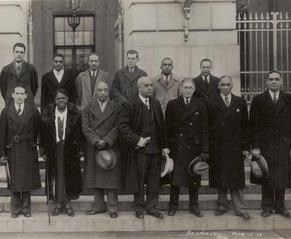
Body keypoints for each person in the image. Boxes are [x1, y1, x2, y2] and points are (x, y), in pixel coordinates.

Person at [250, 70, 291, 218]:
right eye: (271, 79)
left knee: (281, 177)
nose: (274, 81)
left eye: (276, 79)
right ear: (266, 82)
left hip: (284, 146)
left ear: (281, 81)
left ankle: (280, 206)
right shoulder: (258, 100)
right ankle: (266, 207)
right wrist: (256, 146)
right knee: (266, 175)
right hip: (265, 146)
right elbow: (253, 125)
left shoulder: (290, 99)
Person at [118, 76, 169, 220]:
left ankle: (152, 207)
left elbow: (161, 126)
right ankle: (139, 207)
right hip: (139, 150)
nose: (150, 88)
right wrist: (137, 139)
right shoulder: (130, 104)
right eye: (146, 86)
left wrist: (164, 146)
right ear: (139, 88)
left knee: (154, 180)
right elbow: (122, 126)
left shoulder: (155, 103)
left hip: (156, 149)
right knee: (139, 180)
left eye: (151, 85)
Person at [207, 76, 251, 220]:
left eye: (228, 84)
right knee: (220, 176)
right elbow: (206, 126)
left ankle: (240, 208)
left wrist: (245, 147)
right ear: (218, 86)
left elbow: (246, 126)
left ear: (232, 86)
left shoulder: (240, 101)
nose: (225, 87)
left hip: (235, 147)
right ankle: (222, 205)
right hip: (217, 146)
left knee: (236, 178)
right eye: (223, 84)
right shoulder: (210, 102)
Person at [165, 78, 209, 217]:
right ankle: (173, 205)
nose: (188, 90)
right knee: (175, 180)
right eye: (185, 87)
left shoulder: (200, 105)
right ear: (181, 89)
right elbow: (167, 127)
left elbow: (205, 129)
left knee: (194, 177)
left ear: (194, 89)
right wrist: (166, 146)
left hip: (194, 147)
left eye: (190, 88)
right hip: (177, 146)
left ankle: (194, 206)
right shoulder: (172, 105)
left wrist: (205, 150)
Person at [0, 86, 42, 218]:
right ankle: (16, 208)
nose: (19, 96)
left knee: (27, 180)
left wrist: (38, 146)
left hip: (28, 148)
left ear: (25, 96)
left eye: (21, 94)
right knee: (14, 180)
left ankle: (26, 207)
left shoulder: (33, 111)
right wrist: (2, 154)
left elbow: (38, 130)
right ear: (12, 95)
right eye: (16, 93)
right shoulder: (6, 111)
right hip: (12, 149)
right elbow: (2, 134)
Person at [82, 81, 122, 218]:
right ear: (96, 92)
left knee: (111, 179)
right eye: (100, 90)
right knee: (96, 178)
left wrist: (106, 140)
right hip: (94, 147)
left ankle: (112, 207)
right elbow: (85, 127)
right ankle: (98, 206)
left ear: (108, 92)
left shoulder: (116, 107)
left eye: (105, 90)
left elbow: (118, 126)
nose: (103, 93)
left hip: (110, 146)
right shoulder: (87, 108)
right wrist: (96, 141)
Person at [41, 88, 83, 217]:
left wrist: (80, 150)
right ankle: (58, 204)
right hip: (54, 149)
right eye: (58, 98)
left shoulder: (75, 113)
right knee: (56, 177)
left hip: (70, 149)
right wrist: (42, 149)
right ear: (55, 100)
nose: (61, 100)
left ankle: (68, 203)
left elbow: (80, 133)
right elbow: (42, 133)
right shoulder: (48, 112)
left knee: (68, 177)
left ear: (68, 100)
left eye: (63, 98)